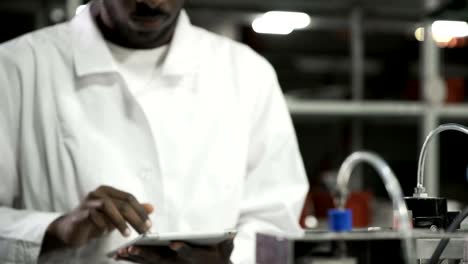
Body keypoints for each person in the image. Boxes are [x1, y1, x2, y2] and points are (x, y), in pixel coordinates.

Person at [0, 0, 309, 263]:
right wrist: (54, 229)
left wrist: (229, 259)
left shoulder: (248, 73)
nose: (152, 1)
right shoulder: (16, 67)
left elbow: (274, 220)